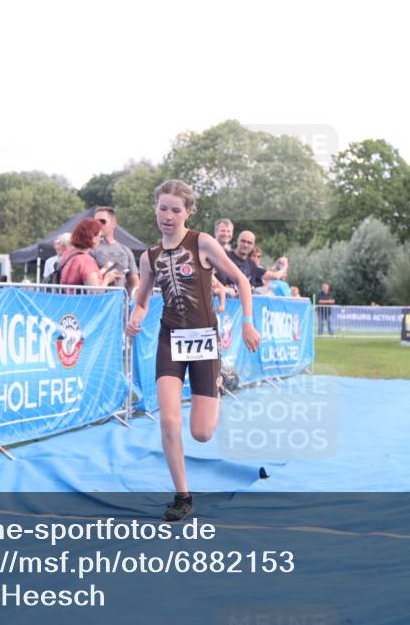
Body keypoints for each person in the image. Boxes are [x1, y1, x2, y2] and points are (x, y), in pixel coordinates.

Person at [126, 180, 260, 521]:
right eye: (163, 208)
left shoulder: (202, 242)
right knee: (169, 420)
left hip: (204, 341)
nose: (168, 216)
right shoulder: (149, 257)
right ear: (155, 209)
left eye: (176, 210)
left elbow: (242, 280)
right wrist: (136, 316)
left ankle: (217, 384)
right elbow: (142, 300)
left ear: (187, 212)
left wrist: (247, 323)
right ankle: (182, 496)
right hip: (169, 339)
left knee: (201, 433)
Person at [91, 206, 140, 294]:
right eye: (95, 222)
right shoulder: (91, 249)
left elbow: (134, 282)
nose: (98, 225)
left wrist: (131, 300)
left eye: (102, 221)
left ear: (113, 223)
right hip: (99, 299)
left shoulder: (125, 250)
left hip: (120, 300)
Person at [218, 231, 286, 293]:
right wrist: (224, 288)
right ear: (237, 241)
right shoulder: (225, 256)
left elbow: (251, 288)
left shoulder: (252, 265)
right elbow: (212, 277)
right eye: (243, 241)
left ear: (253, 245)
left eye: (249, 243)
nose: (245, 245)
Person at [59, 218, 104, 289]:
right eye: (100, 236)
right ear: (91, 236)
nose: (101, 239)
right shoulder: (86, 260)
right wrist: (108, 279)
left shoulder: (68, 253)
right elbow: (96, 291)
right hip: (80, 296)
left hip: (65, 295)